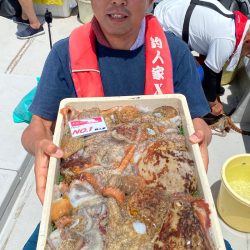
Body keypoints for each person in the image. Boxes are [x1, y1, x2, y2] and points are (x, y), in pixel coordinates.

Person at [21, 0, 211, 247]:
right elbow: (36, 128)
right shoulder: (63, 55)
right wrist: (39, 145)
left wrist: (201, 137)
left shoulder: (176, 53)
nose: (118, 1)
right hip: (83, 197)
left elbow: (198, 123)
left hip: (161, 197)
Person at [154, 0, 250, 116]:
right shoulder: (227, 40)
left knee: (208, 69)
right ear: (248, 41)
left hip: (169, 9)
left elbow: (215, 65)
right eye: (248, 52)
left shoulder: (233, 22)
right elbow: (210, 73)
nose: (247, 55)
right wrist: (213, 103)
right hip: (163, 24)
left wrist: (216, 92)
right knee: (198, 75)